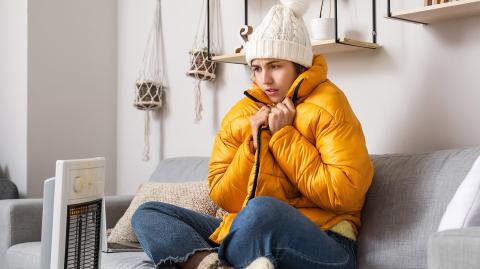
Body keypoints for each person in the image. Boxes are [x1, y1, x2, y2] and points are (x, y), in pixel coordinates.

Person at [131, 0, 374, 268]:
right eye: (257, 68)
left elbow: (345, 194)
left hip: (326, 242)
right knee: (148, 213)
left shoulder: (330, 104)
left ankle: (230, 258)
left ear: (299, 64)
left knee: (261, 210)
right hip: (246, 231)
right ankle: (210, 264)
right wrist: (254, 145)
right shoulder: (242, 114)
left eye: (275, 66)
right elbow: (224, 197)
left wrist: (284, 137)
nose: (265, 79)